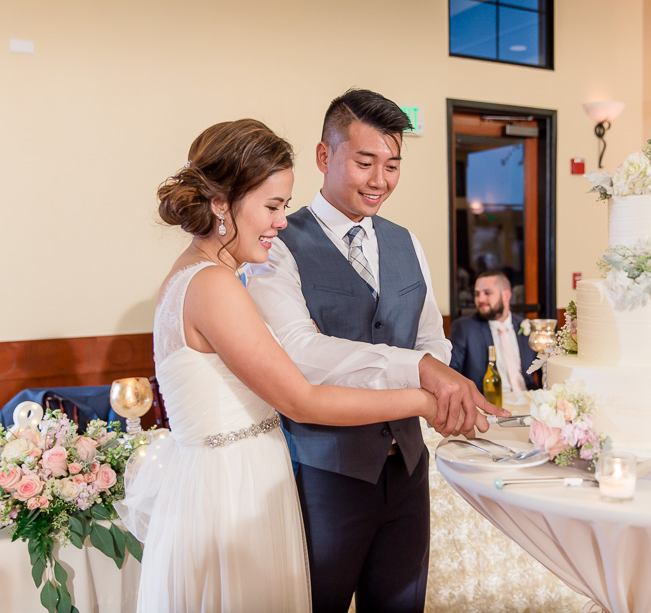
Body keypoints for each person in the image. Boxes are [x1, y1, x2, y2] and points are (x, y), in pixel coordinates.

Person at [116, 119, 476, 612]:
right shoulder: (214, 285)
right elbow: (301, 397)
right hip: (234, 491)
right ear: (222, 204)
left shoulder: (205, 276)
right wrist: (425, 396)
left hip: (240, 480)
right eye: (272, 206)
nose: (282, 221)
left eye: (284, 206)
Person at [246, 89, 506, 612]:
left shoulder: (405, 241)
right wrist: (420, 370)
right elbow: (298, 352)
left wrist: (434, 368)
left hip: (407, 467)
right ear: (325, 156)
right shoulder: (276, 243)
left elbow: (432, 338)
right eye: (365, 162)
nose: (380, 180)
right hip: (323, 471)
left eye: (392, 165)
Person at [449, 270, 540, 394]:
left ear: (506, 296)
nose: (480, 299)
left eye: (487, 293)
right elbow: (451, 372)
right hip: (487, 401)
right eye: (477, 294)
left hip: (527, 397)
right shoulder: (464, 328)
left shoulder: (526, 326)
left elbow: (544, 366)